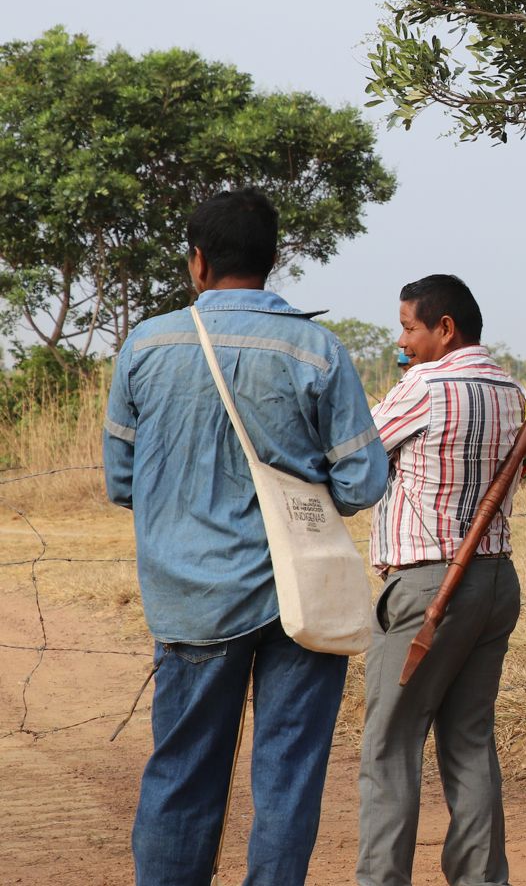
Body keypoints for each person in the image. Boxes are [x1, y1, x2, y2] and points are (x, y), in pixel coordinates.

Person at [104, 189, 388, 886]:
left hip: (191, 598)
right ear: (273, 260)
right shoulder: (317, 349)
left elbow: (121, 480)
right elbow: (362, 483)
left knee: (182, 771)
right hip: (302, 600)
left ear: (197, 261)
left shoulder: (146, 345)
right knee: (288, 774)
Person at [357, 275, 526, 885]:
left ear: (445, 328)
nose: (403, 342)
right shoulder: (513, 390)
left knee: (390, 745)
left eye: (409, 328)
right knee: (470, 739)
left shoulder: (423, 386)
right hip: (494, 580)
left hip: (428, 586)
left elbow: (357, 456)